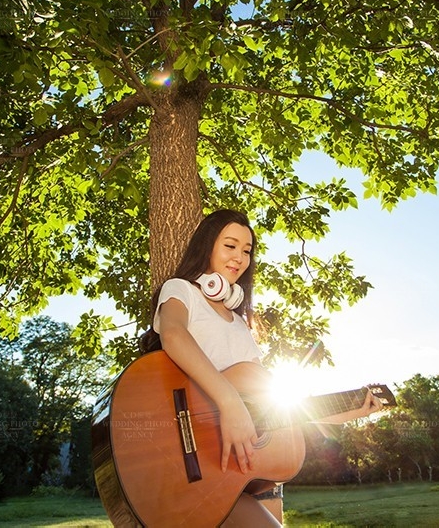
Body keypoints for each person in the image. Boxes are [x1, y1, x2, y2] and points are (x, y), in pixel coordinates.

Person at [151, 209, 385, 527]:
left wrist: (349, 410)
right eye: (230, 245)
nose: (239, 257)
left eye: (247, 251)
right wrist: (229, 402)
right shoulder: (181, 290)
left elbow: (273, 407)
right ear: (207, 245)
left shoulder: (240, 324)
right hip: (203, 464)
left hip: (254, 471)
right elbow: (173, 336)